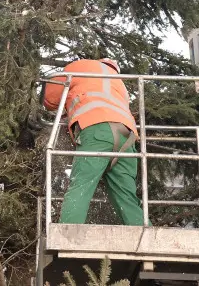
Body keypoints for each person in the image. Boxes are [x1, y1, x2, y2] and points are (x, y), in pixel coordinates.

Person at [42, 58, 147, 226]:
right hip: (126, 137)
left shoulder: (84, 66)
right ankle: (144, 236)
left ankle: (68, 233)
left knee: (81, 185)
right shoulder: (119, 84)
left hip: (97, 129)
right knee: (126, 196)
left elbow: (49, 97)